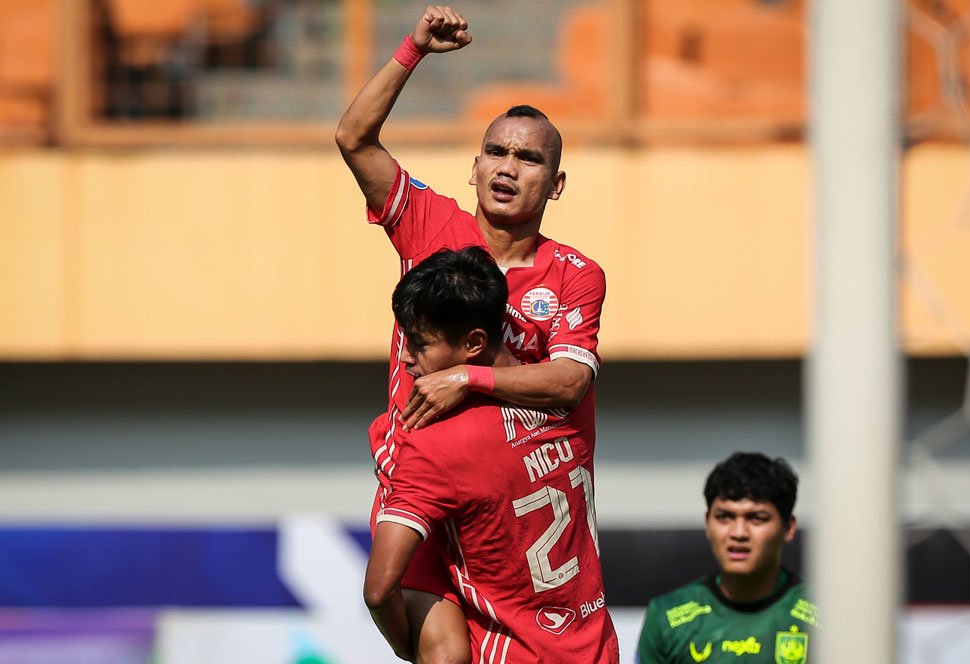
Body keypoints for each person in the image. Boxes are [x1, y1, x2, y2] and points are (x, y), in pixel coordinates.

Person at [336, 6, 606, 662]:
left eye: (529, 158)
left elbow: (570, 382)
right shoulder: (430, 226)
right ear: (475, 167)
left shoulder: (575, 274)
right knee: (445, 654)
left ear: (557, 182)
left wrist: (467, 380)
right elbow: (354, 139)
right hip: (421, 474)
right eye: (496, 151)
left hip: (511, 504)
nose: (508, 167)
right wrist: (413, 50)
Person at [363, 246, 619, 664]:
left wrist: (403, 647)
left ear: (474, 342)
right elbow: (568, 375)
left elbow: (378, 589)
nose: (406, 358)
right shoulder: (574, 402)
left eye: (420, 344)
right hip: (594, 649)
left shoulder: (432, 444)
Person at [636, 452, 818, 664]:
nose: (738, 533)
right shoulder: (667, 617)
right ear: (707, 523)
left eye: (757, 518)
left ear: (788, 528)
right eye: (725, 517)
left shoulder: (827, 615)